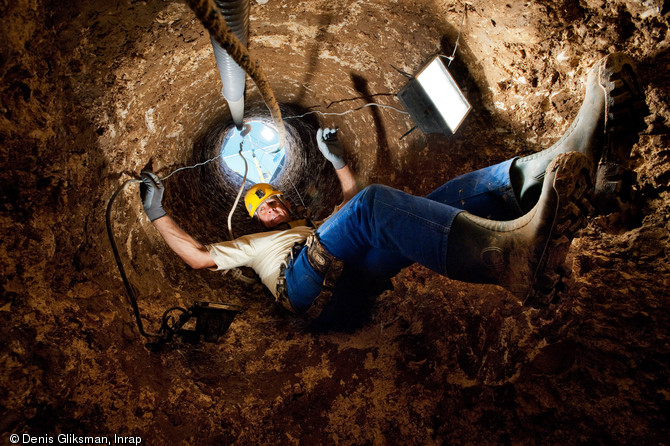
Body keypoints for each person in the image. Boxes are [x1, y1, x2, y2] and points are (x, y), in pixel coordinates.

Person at [139, 53, 646, 321]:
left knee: (448, 197)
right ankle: (507, 260)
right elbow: (201, 259)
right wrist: (158, 214)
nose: (272, 205)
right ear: (253, 218)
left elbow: (346, 207)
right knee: (373, 205)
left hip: (353, 281)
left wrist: (336, 162)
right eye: (263, 204)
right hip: (308, 295)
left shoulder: (308, 226)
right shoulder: (255, 245)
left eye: (273, 197)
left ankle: (569, 165)